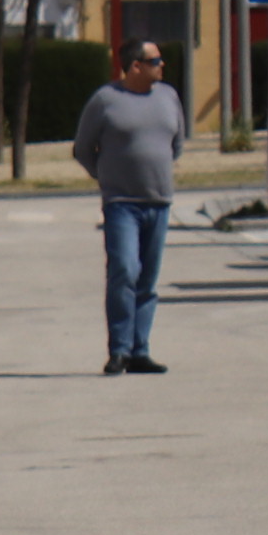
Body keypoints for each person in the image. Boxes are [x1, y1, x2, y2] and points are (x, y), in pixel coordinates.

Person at [71, 39, 189, 373]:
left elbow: (176, 144)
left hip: (159, 201)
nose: (162, 66)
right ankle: (119, 349)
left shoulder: (168, 96)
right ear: (135, 66)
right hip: (121, 202)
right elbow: (82, 148)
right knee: (124, 270)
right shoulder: (106, 100)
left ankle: (140, 349)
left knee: (148, 278)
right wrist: (106, 176)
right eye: (156, 60)